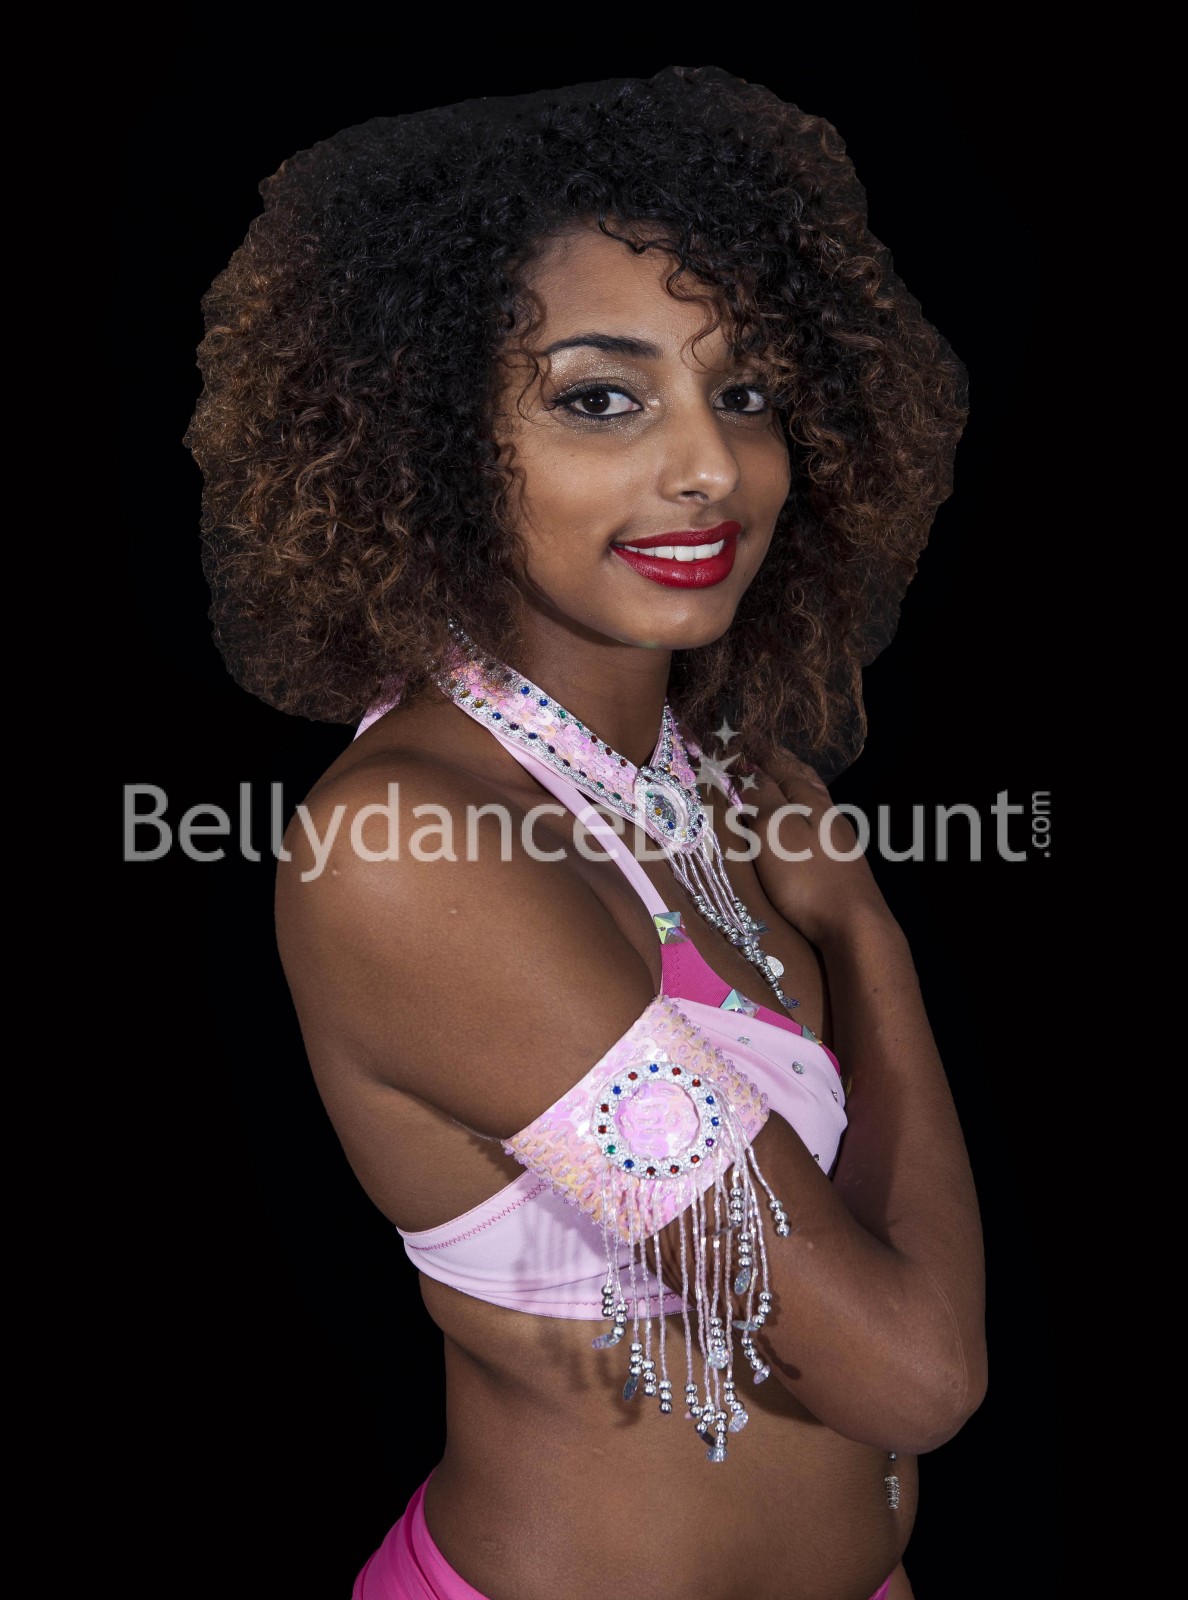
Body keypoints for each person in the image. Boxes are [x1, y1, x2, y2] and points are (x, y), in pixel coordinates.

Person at [185, 65, 985, 1600]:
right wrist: (862, 932)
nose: (709, 467)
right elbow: (909, 1378)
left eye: (742, 392)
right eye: (599, 398)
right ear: (426, 437)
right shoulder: (412, 855)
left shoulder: (695, 779)